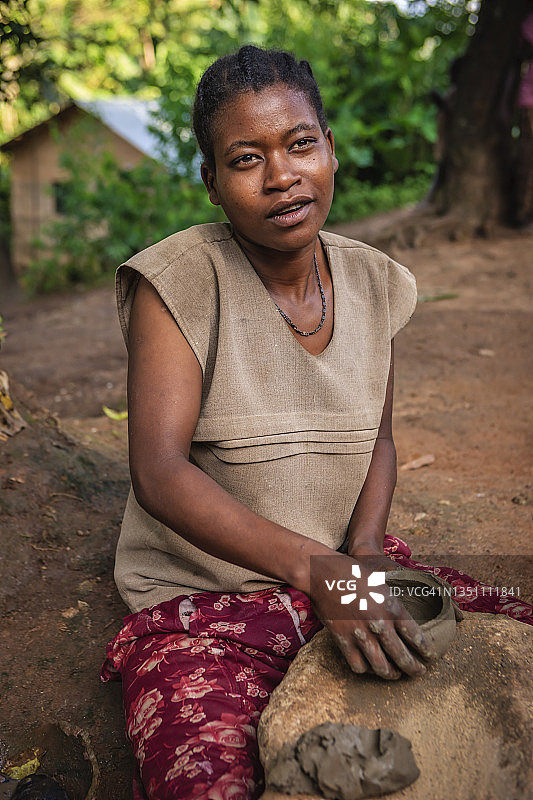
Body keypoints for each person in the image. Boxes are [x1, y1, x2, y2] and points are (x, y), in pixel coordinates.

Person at [101, 45, 533, 800]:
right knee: (202, 778)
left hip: (340, 568)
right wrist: (317, 571)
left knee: (509, 631)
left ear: (329, 148)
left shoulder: (372, 281)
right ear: (211, 181)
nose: (281, 176)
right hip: (207, 600)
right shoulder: (176, 284)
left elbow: (380, 438)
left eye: (300, 144)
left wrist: (363, 550)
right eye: (245, 158)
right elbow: (159, 472)